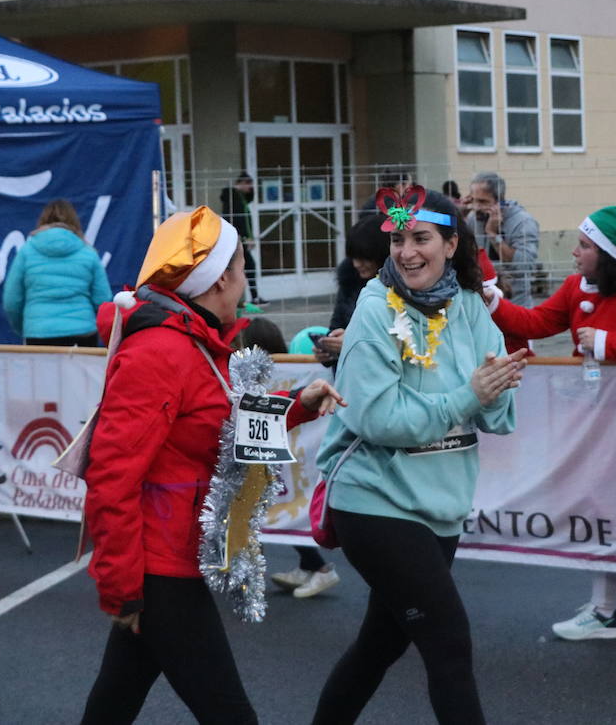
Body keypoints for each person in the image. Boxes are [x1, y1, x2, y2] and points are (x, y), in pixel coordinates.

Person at [80, 205, 343, 724]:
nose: (245, 283)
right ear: (220, 277)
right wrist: (122, 588)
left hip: (175, 558)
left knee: (113, 704)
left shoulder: (194, 339)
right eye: (244, 269)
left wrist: (297, 406)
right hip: (159, 572)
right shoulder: (162, 350)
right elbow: (112, 475)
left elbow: (218, 425)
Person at [310, 188, 525, 725]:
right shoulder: (373, 308)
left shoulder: (471, 307)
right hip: (374, 501)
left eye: (422, 238)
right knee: (449, 645)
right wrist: (469, 395)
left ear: (452, 244)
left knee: (379, 646)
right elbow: (378, 418)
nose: (407, 252)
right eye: (399, 239)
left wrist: (493, 389)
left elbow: (500, 416)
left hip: (440, 506)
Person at [488, 205, 616, 642]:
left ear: (609, 253)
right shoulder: (577, 286)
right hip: (595, 417)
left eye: (585, 245)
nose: (574, 252)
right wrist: (496, 303)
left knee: (615, 509)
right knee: (609, 507)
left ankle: (608, 612)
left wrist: (608, 342)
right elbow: (537, 322)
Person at [231, 317, 343, 601]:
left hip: (278, 460)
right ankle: (307, 565)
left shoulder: (264, 375)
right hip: (276, 458)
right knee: (271, 513)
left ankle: (315, 567)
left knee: (269, 512)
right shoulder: (281, 372)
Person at [3, 199, 112, 347]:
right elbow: (103, 300)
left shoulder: (26, 251)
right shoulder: (88, 253)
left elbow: (11, 300)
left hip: (38, 332)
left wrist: (25, 327)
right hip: (82, 332)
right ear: (75, 222)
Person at [315, 214, 390, 367]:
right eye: (353, 257)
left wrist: (352, 343)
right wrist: (328, 350)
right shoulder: (349, 284)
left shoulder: (401, 289)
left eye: (364, 258)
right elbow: (336, 327)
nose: (356, 264)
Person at [467, 171, 541, 307]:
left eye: (483, 201)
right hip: (483, 304)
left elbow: (525, 266)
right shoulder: (473, 219)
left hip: (516, 305)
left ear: (499, 201)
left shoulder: (523, 222)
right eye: (473, 200)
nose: (476, 207)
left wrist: (492, 234)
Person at [220, 173, 266, 306]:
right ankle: (249, 298)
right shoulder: (233, 197)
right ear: (242, 183)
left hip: (240, 237)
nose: (251, 188)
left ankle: (249, 298)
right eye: (249, 185)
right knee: (245, 266)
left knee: (245, 266)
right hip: (237, 238)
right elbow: (236, 218)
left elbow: (250, 200)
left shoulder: (241, 197)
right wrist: (242, 236)